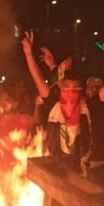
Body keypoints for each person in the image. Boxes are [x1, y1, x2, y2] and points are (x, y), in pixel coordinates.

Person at [22, 31, 91, 174]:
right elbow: (38, 79)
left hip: (81, 170)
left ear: (82, 90)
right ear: (62, 90)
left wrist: (54, 66)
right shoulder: (55, 104)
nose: (71, 94)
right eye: (67, 89)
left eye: (75, 89)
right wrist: (29, 54)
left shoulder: (88, 107)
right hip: (56, 167)